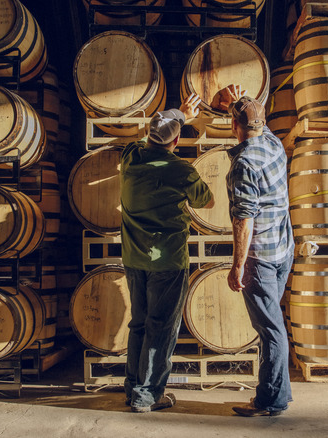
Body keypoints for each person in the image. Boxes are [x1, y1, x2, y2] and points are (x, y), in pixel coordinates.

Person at [120, 93, 214, 413]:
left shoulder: (131, 157)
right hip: (167, 260)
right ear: (176, 141)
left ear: (149, 135)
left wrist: (177, 116)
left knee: (139, 323)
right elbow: (206, 201)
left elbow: (143, 139)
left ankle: (133, 387)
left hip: (134, 257)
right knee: (160, 328)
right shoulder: (181, 170)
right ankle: (147, 396)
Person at [212, 85, 295, 417]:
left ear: (234, 128)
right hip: (283, 250)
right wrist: (236, 102)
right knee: (272, 324)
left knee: (271, 330)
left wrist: (237, 266)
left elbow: (244, 220)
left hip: (259, 258)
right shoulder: (273, 144)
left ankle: (270, 402)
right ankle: (278, 395)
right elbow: (253, 122)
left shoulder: (243, 163)